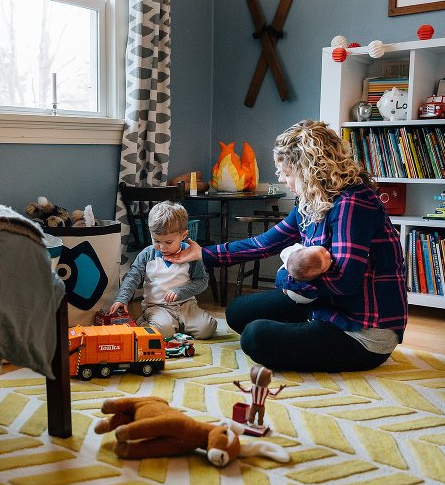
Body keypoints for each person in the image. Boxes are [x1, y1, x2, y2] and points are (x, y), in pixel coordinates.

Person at [169, 119, 407, 372]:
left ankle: (309, 335)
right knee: (238, 312)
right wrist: (204, 254)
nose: (281, 179)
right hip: (324, 306)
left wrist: (285, 278)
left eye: (286, 172)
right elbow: (263, 244)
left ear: (308, 171)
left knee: (255, 337)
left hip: (362, 332)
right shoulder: (311, 203)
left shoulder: (353, 203)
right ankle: (306, 332)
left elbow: (345, 283)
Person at [110, 201, 218, 339]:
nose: (162, 248)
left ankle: (178, 325)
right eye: (156, 241)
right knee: (162, 333)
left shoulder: (190, 254)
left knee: (207, 329)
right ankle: (145, 322)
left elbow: (202, 281)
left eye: (168, 242)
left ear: (183, 235)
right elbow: (132, 277)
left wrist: (181, 292)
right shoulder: (147, 255)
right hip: (157, 306)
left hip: (186, 304)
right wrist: (122, 299)